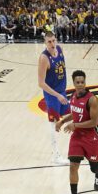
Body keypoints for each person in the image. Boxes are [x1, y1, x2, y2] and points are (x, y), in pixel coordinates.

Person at [54, 70, 98, 194]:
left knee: (94, 167)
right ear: (74, 83)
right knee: (73, 166)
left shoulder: (92, 99)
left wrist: (75, 125)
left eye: (82, 82)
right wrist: (63, 121)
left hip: (92, 136)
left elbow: (94, 122)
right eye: (77, 82)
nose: (80, 85)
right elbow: (75, 114)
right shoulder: (73, 96)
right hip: (77, 137)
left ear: (85, 82)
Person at [38, 32, 70, 164]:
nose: (52, 44)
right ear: (45, 43)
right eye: (49, 42)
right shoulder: (44, 58)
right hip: (52, 96)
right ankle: (55, 155)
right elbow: (40, 83)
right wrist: (57, 95)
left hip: (62, 92)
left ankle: (78, 148)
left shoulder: (60, 50)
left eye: (53, 41)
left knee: (71, 118)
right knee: (54, 126)